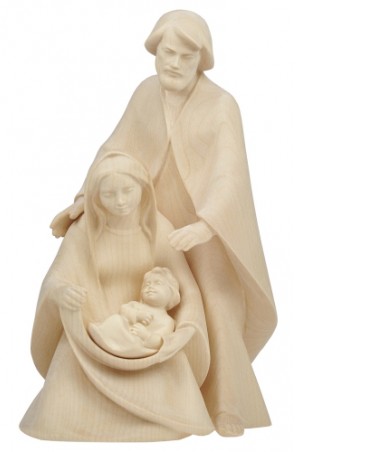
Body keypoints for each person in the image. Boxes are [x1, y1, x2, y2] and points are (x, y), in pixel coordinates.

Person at [50, 10, 278, 437]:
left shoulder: (221, 105)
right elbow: (115, 147)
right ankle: (129, 387)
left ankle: (226, 402)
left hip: (202, 221)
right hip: (144, 212)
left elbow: (230, 173)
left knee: (216, 298)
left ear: (202, 60)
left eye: (185, 57)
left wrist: (207, 225)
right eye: (166, 53)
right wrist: (83, 201)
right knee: (131, 288)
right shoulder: (145, 93)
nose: (173, 64)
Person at [20, 152, 213, 441]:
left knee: (168, 383)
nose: (120, 201)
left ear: (143, 189)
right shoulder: (84, 232)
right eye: (109, 194)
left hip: (149, 333)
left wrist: (185, 330)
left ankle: (156, 416)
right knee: (58, 413)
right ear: (95, 197)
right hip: (92, 330)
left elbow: (187, 289)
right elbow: (56, 279)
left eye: (128, 190)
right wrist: (62, 292)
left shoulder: (159, 228)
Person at [88, 266, 180, 358]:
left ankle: (121, 346)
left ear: (172, 292)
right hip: (124, 332)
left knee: (135, 343)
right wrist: (137, 315)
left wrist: (146, 335)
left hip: (138, 343)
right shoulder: (136, 305)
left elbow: (161, 341)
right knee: (116, 319)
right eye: (147, 284)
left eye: (158, 283)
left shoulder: (167, 321)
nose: (150, 287)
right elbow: (123, 310)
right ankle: (104, 335)